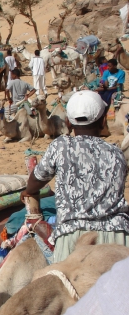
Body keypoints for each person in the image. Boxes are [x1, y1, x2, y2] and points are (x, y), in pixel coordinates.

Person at [21, 90, 129, 262]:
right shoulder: (116, 153)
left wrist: (27, 191)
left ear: (68, 123)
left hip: (73, 236)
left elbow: (34, 183)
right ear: (102, 122)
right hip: (116, 237)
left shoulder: (61, 146)